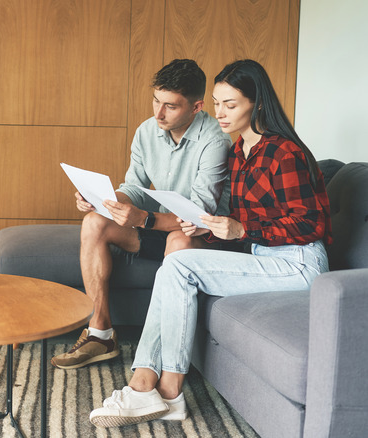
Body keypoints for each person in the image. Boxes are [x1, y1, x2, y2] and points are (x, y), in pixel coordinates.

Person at [89, 59, 332, 427]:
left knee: (180, 264)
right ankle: (151, 388)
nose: (220, 113)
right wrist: (206, 226)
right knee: (176, 264)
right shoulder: (239, 153)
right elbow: (235, 220)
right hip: (263, 257)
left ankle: (161, 392)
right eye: (217, 103)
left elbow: (311, 224)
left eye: (230, 105)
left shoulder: (285, 152)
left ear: (258, 104)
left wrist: (240, 229)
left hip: (298, 263)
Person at [51, 59, 232, 370]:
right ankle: (100, 333)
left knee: (179, 237)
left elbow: (200, 216)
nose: (158, 113)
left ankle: (163, 356)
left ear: (196, 106)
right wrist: (103, 201)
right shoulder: (147, 131)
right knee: (95, 221)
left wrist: (143, 219)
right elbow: (133, 187)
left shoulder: (215, 140)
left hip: (202, 237)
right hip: (160, 229)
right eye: (155, 101)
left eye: (170, 106)